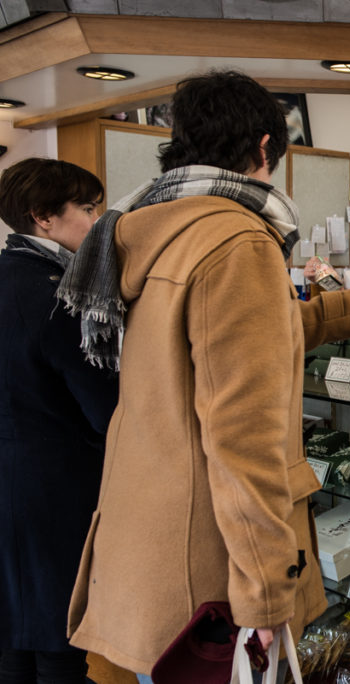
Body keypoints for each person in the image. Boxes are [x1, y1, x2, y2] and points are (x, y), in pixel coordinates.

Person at [56, 70, 350, 679]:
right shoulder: (240, 239)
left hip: (148, 546)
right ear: (266, 147)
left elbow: (228, 346)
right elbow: (243, 434)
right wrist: (268, 592)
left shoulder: (154, 228)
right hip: (208, 571)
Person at [0, 159, 119, 683]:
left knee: (13, 634)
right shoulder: (60, 294)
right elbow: (104, 409)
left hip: (11, 481)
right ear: (43, 216)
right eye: (89, 208)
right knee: (57, 640)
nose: (99, 221)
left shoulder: (7, 275)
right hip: (55, 489)